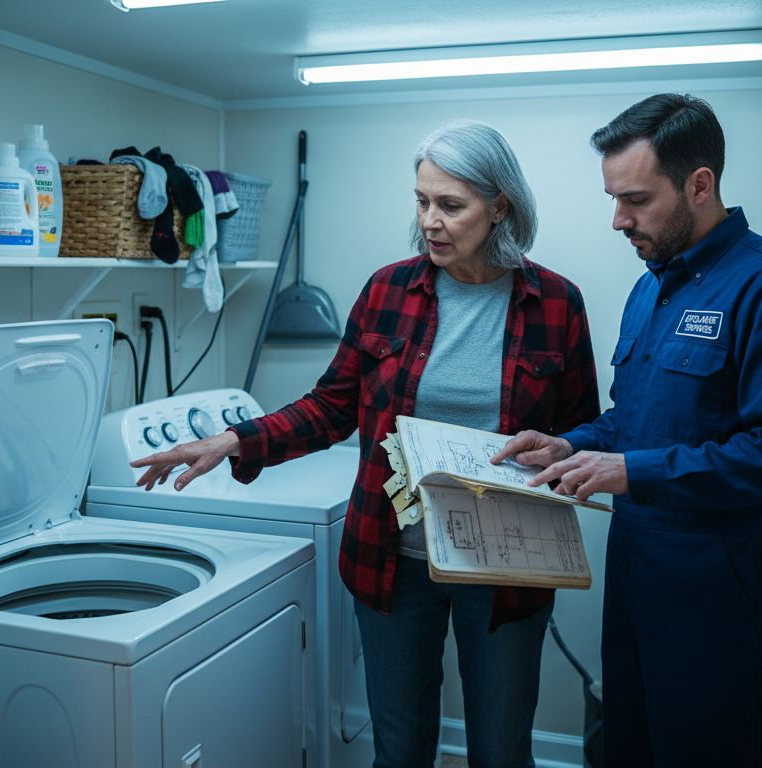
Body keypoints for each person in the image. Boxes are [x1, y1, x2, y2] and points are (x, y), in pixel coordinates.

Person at [130, 120, 600, 768]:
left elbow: (584, 430)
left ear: (501, 207)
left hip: (505, 566)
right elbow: (332, 406)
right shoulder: (387, 292)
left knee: (501, 751)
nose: (430, 220)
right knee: (400, 750)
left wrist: (563, 447)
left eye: (451, 205)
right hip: (393, 558)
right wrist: (234, 440)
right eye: (422, 200)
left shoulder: (556, 303)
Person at [492, 94, 762, 767]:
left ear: (699, 184)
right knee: (634, 746)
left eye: (637, 199)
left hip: (724, 588)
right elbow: (636, 418)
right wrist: (574, 444)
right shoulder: (651, 288)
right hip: (637, 573)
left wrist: (635, 472)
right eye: (613, 198)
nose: (619, 219)